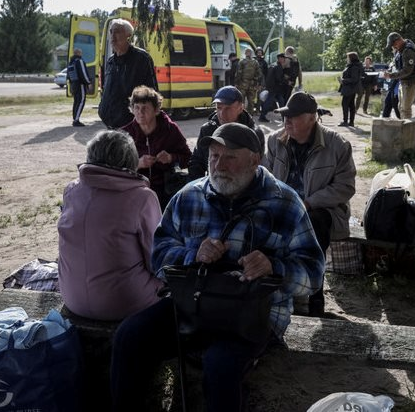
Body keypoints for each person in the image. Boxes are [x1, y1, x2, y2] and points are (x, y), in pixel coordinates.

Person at [110, 122, 325, 411]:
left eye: (230, 157)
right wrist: (191, 255)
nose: (218, 165)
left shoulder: (286, 203)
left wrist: (274, 267)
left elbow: (313, 274)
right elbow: (158, 255)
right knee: (129, 336)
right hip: (192, 304)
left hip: (253, 315)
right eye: (213, 156)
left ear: (254, 160)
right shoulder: (189, 196)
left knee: (220, 364)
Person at [266, 92, 356, 316]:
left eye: (293, 116)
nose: (286, 121)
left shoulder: (337, 144)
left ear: (311, 118)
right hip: (284, 207)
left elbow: (345, 187)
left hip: (320, 210)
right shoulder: (275, 140)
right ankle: (276, 295)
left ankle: (315, 297)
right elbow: (264, 177)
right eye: (285, 115)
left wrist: (308, 202)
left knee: (315, 223)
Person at [57, 129, 163, 321]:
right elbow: (156, 259)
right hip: (124, 303)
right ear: (131, 160)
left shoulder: (71, 190)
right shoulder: (142, 197)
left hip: (72, 298)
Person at [121, 86, 191, 211]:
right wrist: (137, 163)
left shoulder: (170, 129)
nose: (140, 112)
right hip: (134, 191)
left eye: (145, 108)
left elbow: (188, 158)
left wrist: (171, 158)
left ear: (156, 110)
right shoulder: (125, 134)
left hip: (165, 191)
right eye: (136, 108)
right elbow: (113, 167)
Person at [188, 85, 264, 181]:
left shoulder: (254, 134)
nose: (222, 114)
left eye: (228, 108)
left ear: (240, 108)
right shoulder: (207, 130)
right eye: (219, 108)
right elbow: (196, 162)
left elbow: (257, 169)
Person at [98, 18, 158, 129]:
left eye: (117, 32)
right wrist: (102, 108)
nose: (112, 35)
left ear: (128, 36)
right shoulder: (110, 62)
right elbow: (105, 89)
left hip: (132, 126)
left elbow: (152, 93)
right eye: (111, 32)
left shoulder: (141, 58)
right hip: (110, 124)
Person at [384, 32, 415, 119]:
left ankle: (406, 130)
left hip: (410, 82)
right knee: (400, 107)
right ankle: (404, 126)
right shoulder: (401, 50)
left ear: (398, 41)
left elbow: (407, 71)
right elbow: (398, 65)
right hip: (403, 81)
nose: (393, 47)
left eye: (393, 45)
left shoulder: (408, 51)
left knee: (405, 109)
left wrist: (391, 76)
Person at [259, 53, 288, 123]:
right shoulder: (278, 67)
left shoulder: (272, 65)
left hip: (272, 87)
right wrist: (286, 81)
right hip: (275, 88)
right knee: (269, 102)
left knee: (281, 101)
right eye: (283, 58)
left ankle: (284, 117)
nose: (284, 60)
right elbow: (279, 78)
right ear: (280, 59)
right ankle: (262, 116)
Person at [67, 48, 92, 127]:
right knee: (81, 101)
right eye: (81, 52)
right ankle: (76, 120)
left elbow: (69, 75)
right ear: (79, 53)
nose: (82, 54)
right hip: (80, 84)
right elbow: (83, 73)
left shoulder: (71, 62)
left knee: (76, 102)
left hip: (74, 84)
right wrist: (88, 82)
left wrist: (71, 84)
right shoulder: (79, 61)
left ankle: (75, 118)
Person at [338, 51, 363, 127]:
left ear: (351, 58)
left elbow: (354, 79)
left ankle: (345, 121)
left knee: (345, 104)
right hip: (350, 88)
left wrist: (343, 81)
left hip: (350, 88)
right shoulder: (351, 66)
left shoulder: (354, 67)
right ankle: (351, 122)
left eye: (348, 57)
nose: (347, 59)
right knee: (351, 105)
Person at [234, 48, 262, 115]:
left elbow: (239, 73)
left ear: (245, 53)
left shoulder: (242, 62)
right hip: (252, 84)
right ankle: (250, 115)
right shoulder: (255, 62)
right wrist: (256, 81)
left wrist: (237, 83)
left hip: (242, 84)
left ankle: (241, 114)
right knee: (251, 101)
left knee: (241, 100)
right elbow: (259, 74)